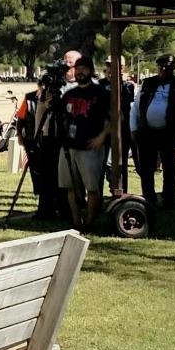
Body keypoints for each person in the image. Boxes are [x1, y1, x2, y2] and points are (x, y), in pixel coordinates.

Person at [130, 53, 175, 210]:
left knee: (169, 167)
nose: (164, 70)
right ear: (158, 67)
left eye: (168, 68)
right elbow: (135, 108)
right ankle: (149, 197)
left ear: (172, 69)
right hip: (147, 132)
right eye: (161, 67)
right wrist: (134, 128)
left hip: (169, 133)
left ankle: (169, 199)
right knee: (146, 168)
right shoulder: (147, 83)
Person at [58, 57, 110, 228]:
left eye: (84, 68)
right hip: (68, 148)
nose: (80, 72)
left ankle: (90, 221)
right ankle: (75, 220)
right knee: (70, 187)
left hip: (89, 148)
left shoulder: (100, 93)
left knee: (92, 188)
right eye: (77, 69)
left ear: (91, 70)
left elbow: (116, 117)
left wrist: (102, 136)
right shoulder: (69, 94)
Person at [101, 56, 135, 193]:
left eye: (115, 66)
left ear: (122, 68)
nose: (111, 68)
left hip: (122, 132)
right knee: (102, 165)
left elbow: (128, 106)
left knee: (121, 165)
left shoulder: (128, 86)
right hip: (103, 132)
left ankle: (121, 192)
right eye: (109, 65)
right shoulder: (99, 85)